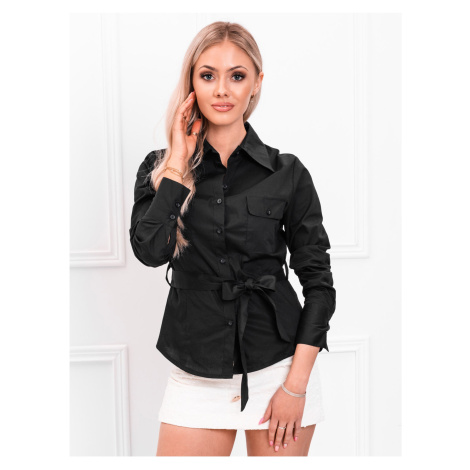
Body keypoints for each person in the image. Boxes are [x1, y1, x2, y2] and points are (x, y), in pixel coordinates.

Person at [129, 21, 336, 457]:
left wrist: (295, 387)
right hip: (195, 371)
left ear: (256, 83)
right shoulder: (159, 168)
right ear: (192, 83)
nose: (222, 89)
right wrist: (179, 163)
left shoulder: (287, 173)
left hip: (280, 370)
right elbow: (150, 252)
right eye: (208, 75)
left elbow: (319, 284)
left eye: (237, 75)